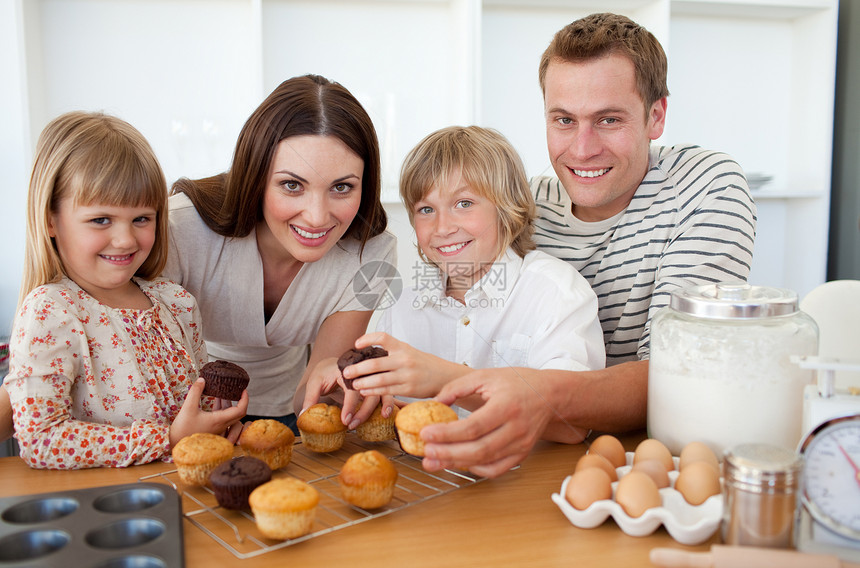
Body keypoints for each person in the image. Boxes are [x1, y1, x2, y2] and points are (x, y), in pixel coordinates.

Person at [414, 13, 757, 477]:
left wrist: (524, 393)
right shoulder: (524, 205)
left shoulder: (704, 186)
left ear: (656, 116)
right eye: (564, 120)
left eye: (608, 120)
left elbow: (681, 377)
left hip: (650, 461)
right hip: (541, 460)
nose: (582, 148)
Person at [301, 126, 604, 422]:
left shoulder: (557, 292)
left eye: (464, 203)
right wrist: (351, 388)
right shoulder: (403, 306)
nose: (443, 228)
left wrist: (443, 380)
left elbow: (573, 424)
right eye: (426, 210)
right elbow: (391, 413)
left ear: (508, 209)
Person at [3, 111, 247, 469]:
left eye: (141, 219)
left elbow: (196, 404)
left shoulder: (175, 302)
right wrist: (170, 439)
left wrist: (216, 422)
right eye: (101, 220)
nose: (125, 239)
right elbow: (41, 440)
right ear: (50, 221)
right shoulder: (51, 311)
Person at [165, 74, 396, 434]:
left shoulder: (371, 255)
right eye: (292, 185)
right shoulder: (180, 230)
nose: (317, 217)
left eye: (342, 187)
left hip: (288, 412)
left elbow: (311, 395)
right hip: (181, 414)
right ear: (255, 176)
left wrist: (342, 389)